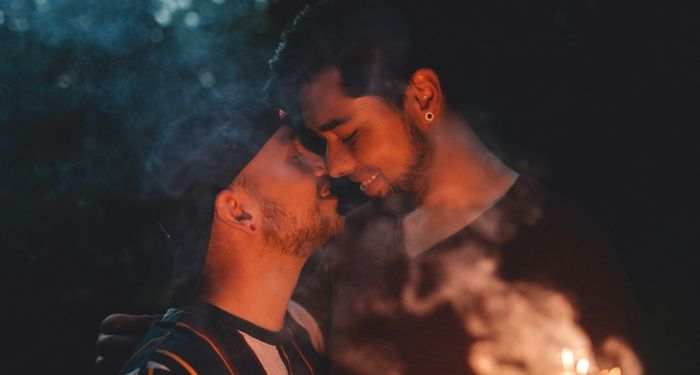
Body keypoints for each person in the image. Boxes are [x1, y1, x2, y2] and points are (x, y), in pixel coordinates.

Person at [98, 1, 646, 374]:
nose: (333, 165)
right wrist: (179, 344)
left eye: (349, 132)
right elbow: (252, 329)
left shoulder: (565, 250)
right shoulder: (346, 246)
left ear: (423, 97)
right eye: (318, 142)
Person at [114, 101, 342, 374]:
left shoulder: (303, 342)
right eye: (296, 157)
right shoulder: (171, 367)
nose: (327, 165)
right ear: (237, 210)